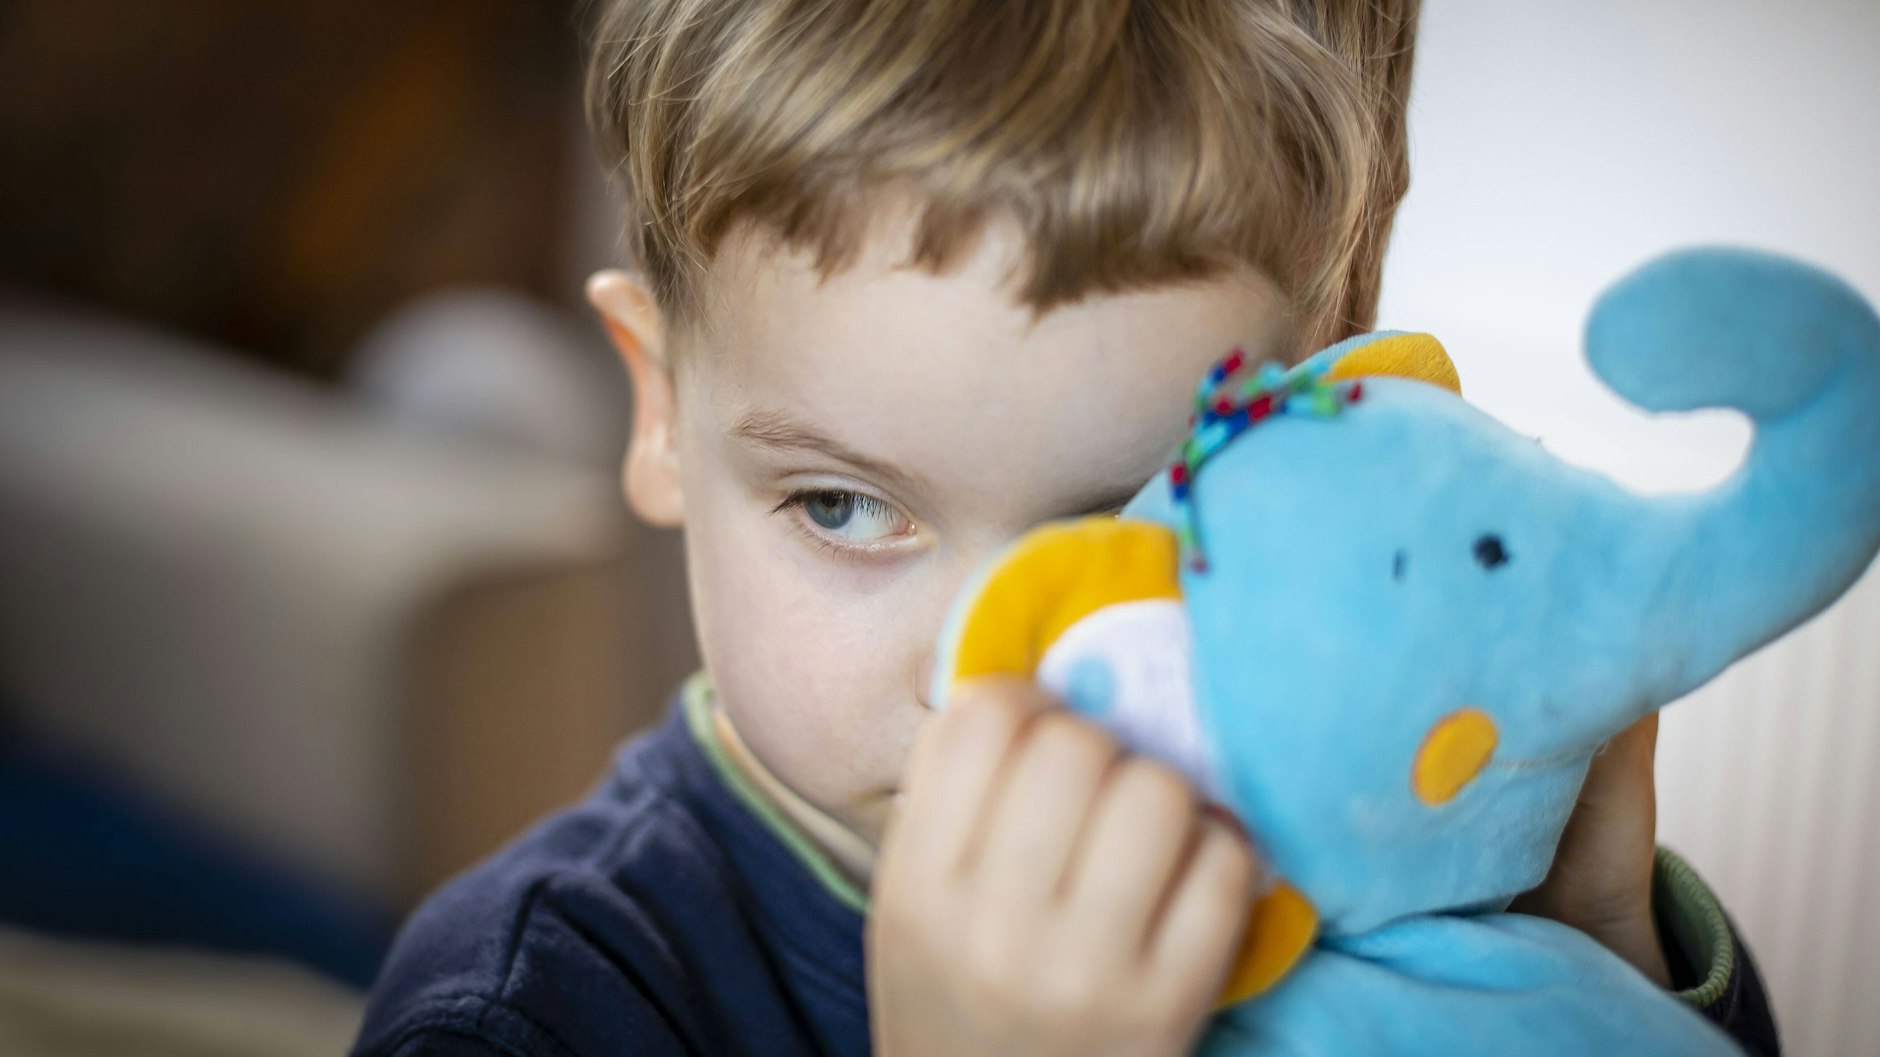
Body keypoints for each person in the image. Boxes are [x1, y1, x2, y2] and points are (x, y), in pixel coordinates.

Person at [351, 1, 1779, 1054]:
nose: (988, 676)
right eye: (844, 506)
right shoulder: (530, 1011)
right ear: (660, 408)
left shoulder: (1386, 878)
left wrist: (1598, 949)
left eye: (1139, 523)